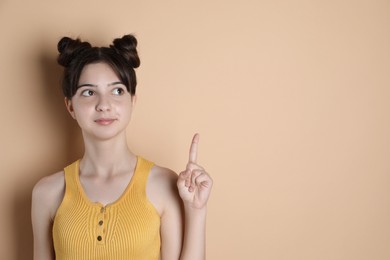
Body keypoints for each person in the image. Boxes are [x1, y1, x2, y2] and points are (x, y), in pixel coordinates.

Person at [31, 34, 213, 260]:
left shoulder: (163, 183)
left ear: (132, 101)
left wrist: (196, 210)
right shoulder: (46, 193)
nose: (104, 105)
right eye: (89, 92)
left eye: (117, 91)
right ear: (70, 106)